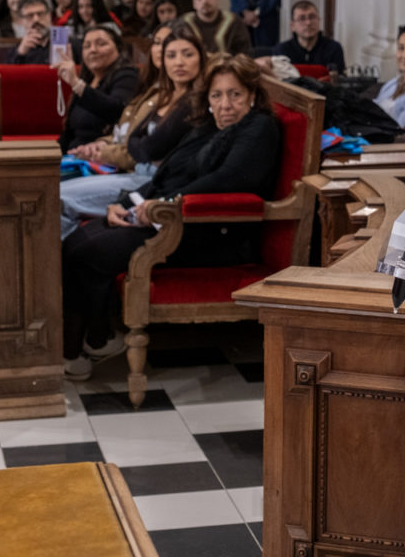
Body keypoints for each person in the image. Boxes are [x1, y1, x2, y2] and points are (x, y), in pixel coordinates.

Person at [60, 53, 281, 380]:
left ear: (252, 95)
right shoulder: (210, 126)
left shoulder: (259, 127)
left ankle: (78, 347)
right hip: (171, 217)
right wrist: (124, 202)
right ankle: (94, 340)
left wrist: (162, 205)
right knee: (75, 241)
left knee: (89, 251)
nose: (225, 105)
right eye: (217, 95)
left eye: (235, 95)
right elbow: (168, 173)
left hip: (209, 231)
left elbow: (227, 181)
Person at [60, 22, 206, 239]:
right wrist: (111, 143)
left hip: (150, 181)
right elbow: (134, 137)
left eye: (187, 54)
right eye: (170, 53)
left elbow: (147, 147)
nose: (179, 62)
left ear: (201, 58)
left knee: (58, 197)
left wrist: (115, 150)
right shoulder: (162, 92)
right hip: (137, 170)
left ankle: (54, 266)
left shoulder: (192, 101)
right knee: (51, 189)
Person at [56, 23, 141, 152]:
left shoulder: (128, 75)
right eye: (87, 46)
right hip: (73, 156)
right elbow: (69, 133)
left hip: (103, 155)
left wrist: (76, 84)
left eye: (101, 44)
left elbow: (117, 111)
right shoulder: (87, 81)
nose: (93, 50)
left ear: (118, 48)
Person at [182, 0, 250, 55]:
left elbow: (244, 54)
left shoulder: (234, 22)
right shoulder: (185, 23)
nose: (204, 1)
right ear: (193, 3)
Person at [274, 0, 345, 72]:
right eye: (302, 18)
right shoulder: (282, 50)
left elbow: (339, 79)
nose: (308, 23)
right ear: (292, 26)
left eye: (312, 17)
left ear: (319, 20)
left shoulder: (334, 48)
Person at [12, 0, 54, 64]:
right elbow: (8, 73)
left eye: (40, 14)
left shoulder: (70, 45)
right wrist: (20, 54)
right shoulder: (17, 50)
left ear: (49, 16)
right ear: (22, 21)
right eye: (30, 15)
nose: (36, 19)